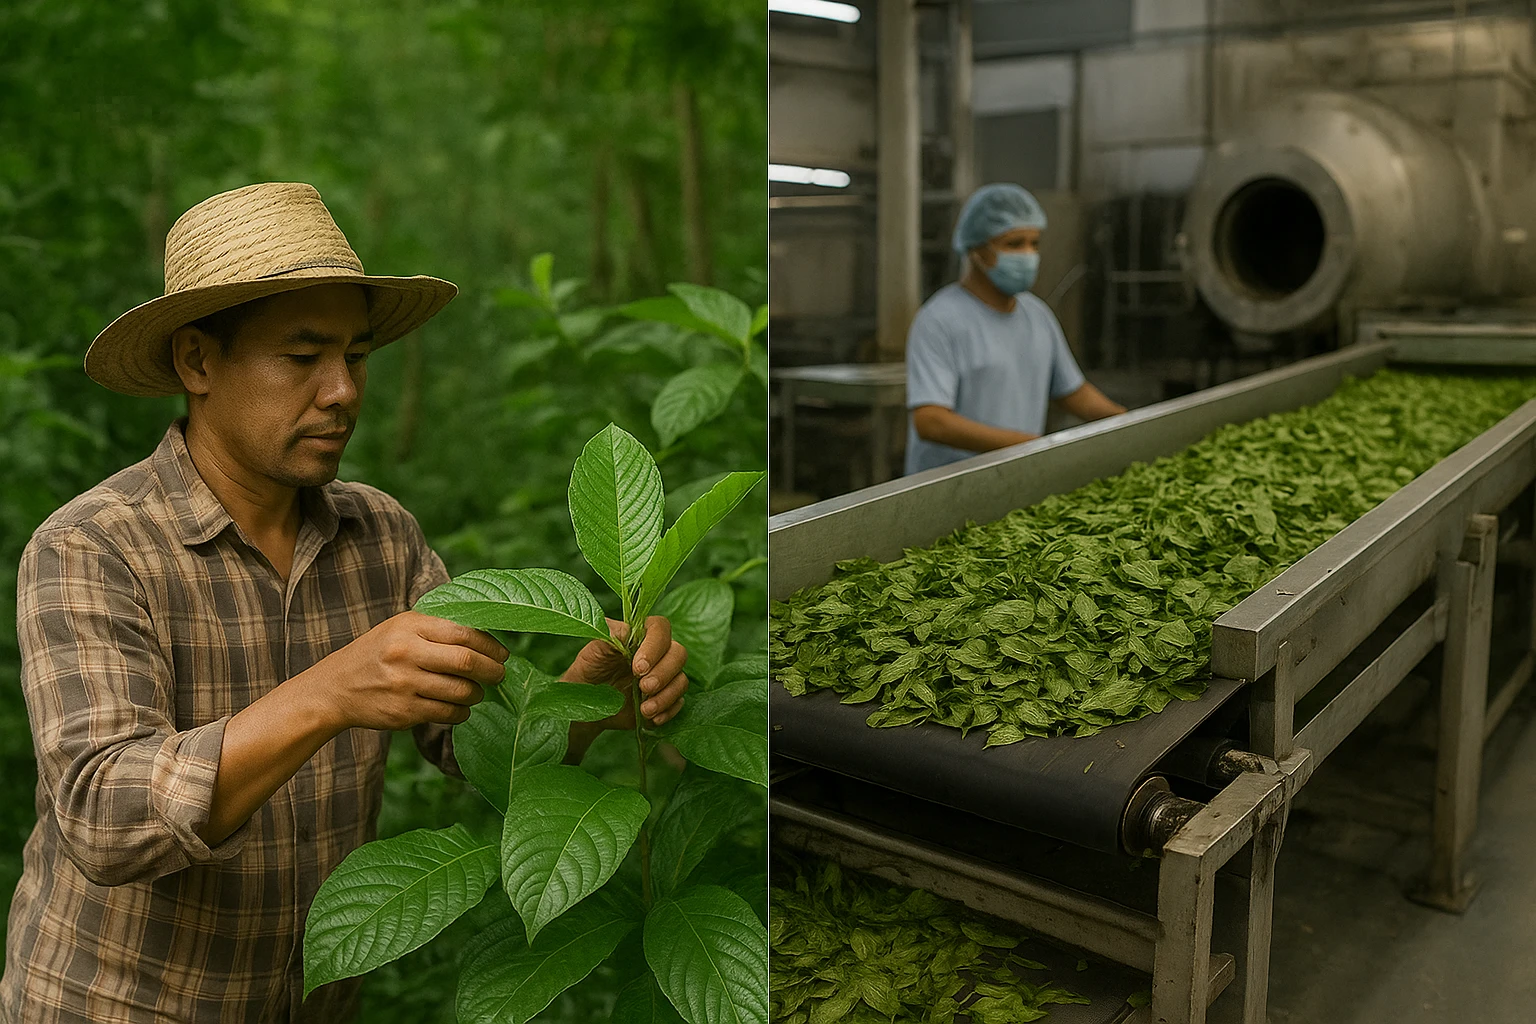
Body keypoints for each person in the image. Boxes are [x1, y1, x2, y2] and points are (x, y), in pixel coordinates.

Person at [1, 182, 690, 1022]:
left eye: (356, 357)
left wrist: (585, 697)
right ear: (198, 362)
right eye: (301, 358)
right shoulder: (94, 547)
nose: (342, 392)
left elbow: (480, 746)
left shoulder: (382, 537)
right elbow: (103, 817)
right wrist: (328, 694)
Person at [904, 182, 1127, 475]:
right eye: (1013, 244)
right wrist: (1031, 446)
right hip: (946, 491)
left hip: (1015, 481)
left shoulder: (1036, 315)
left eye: (1034, 243)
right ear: (976, 250)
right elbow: (931, 421)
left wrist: (1127, 423)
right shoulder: (939, 320)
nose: (1028, 255)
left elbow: (1072, 392)